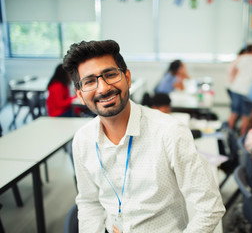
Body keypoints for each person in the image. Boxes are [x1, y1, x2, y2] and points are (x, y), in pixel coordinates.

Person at [62, 40, 225, 232]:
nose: (103, 88)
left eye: (111, 74)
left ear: (128, 78)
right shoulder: (83, 140)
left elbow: (210, 208)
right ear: (79, 95)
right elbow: (89, 203)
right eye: (90, 81)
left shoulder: (170, 132)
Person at [227, 42, 252, 135]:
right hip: (247, 92)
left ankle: (228, 136)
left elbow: (232, 69)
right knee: (246, 117)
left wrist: (233, 81)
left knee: (234, 113)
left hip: (236, 88)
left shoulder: (243, 57)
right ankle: (242, 139)